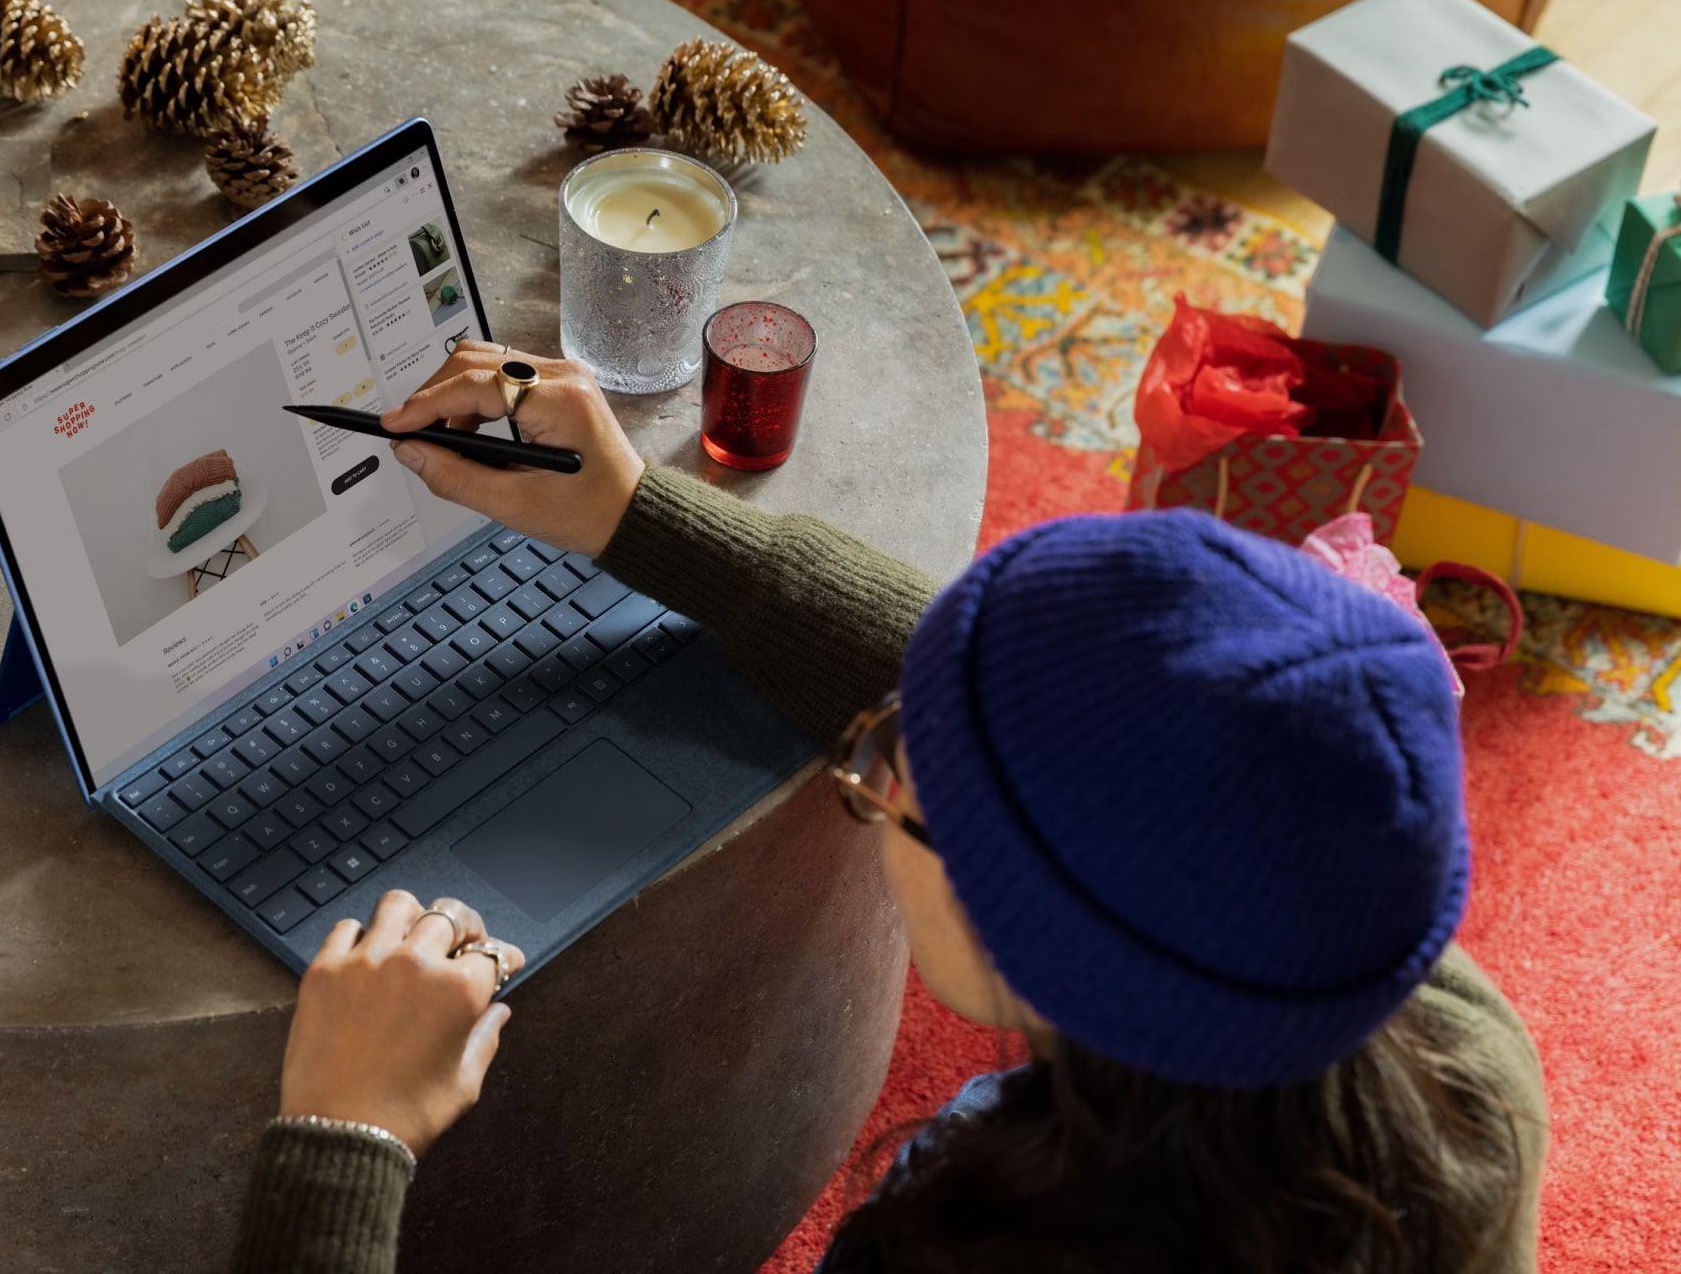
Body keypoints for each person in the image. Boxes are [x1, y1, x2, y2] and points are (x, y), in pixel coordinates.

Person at [232, 342, 1547, 1274]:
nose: (878, 763)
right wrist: (640, 514)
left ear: (1024, 926)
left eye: (900, 775)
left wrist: (342, 1138)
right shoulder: (1451, 1044)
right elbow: (1125, 744)